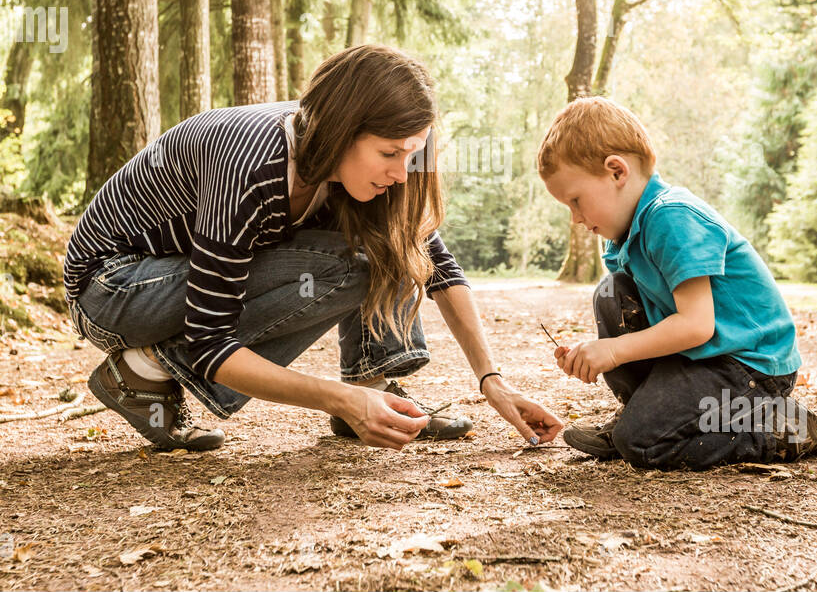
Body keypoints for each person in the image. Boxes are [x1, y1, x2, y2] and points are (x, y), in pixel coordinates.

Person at [63, 45, 563, 453]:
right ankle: (145, 369)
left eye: (410, 156)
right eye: (389, 154)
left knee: (391, 245)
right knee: (345, 265)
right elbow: (212, 342)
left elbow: (434, 263)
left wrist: (492, 380)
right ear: (341, 131)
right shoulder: (252, 167)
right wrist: (336, 399)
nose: (400, 171)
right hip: (112, 288)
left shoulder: (353, 169)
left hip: (163, 279)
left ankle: (373, 384)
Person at [535, 96, 817, 471]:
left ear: (616, 171)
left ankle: (777, 428)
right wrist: (598, 349)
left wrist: (612, 351)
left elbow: (697, 324)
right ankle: (641, 413)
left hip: (748, 365)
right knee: (612, 293)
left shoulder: (672, 217)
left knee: (641, 445)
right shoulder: (624, 235)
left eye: (576, 201)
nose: (575, 217)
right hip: (703, 356)